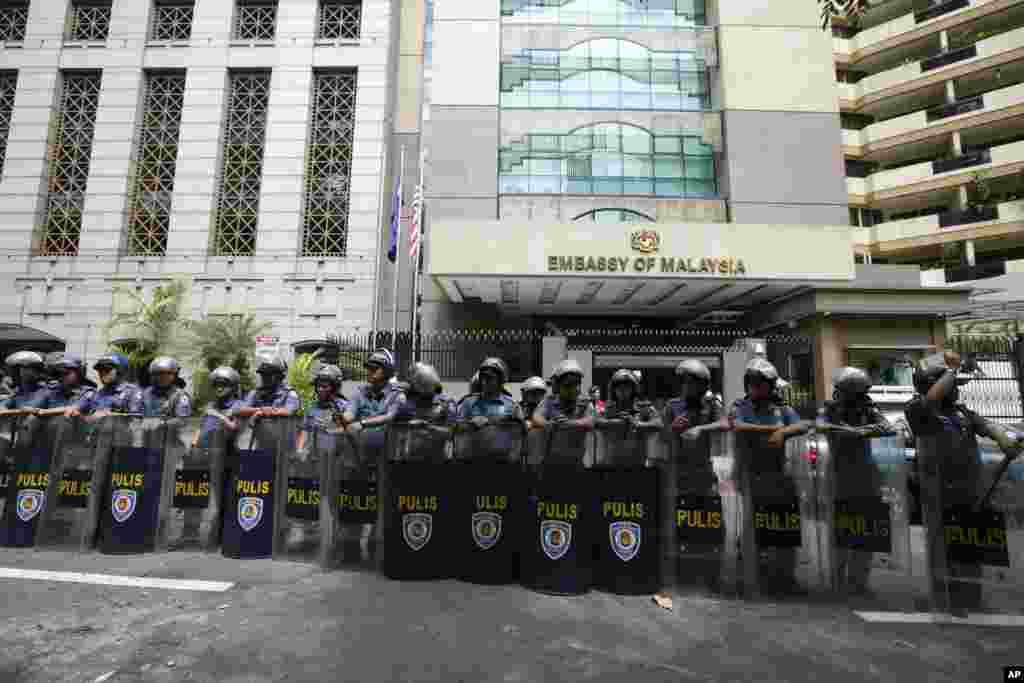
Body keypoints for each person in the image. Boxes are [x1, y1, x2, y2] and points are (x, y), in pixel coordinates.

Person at [904, 350, 1023, 614]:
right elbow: (933, 397)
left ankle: (971, 597)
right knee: (943, 547)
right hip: (938, 492)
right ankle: (945, 598)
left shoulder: (961, 412)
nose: (956, 390)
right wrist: (952, 370)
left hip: (971, 490)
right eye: (952, 385)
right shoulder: (918, 409)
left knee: (971, 546)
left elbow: (987, 426)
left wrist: (1004, 440)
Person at [727, 357, 809, 594]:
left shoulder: (782, 409)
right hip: (749, 475)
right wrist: (777, 430)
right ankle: (749, 576)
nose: (755, 388)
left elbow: (802, 425)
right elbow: (738, 426)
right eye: (752, 383)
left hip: (778, 475)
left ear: (771, 386)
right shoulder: (740, 406)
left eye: (760, 384)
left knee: (781, 526)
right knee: (752, 527)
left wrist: (784, 431)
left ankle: (784, 577)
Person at [817, 366, 892, 597]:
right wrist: (852, 431)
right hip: (838, 476)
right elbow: (822, 425)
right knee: (840, 530)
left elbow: (886, 427)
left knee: (865, 531)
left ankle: (859, 581)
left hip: (866, 476)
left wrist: (860, 431)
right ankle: (837, 580)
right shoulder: (830, 409)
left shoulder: (869, 409)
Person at [531, 359, 595, 465]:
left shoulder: (585, 403)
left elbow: (590, 421)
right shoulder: (549, 401)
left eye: (576, 384)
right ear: (557, 386)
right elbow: (536, 417)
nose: (574, 389)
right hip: (550, 462)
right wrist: (548, 424)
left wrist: (568, 423)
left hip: (576, 462)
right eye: (568, 385)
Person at [65, 353, 143, 420]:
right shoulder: (93, 395)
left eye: (107, 369)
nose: (102, 372)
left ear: (120, 370)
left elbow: (136, 418)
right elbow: (75, 407)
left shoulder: (132, 392)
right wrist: (74, 412)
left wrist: (108, 415)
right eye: (100, 370)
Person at [296, 364, 348, 453]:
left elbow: (349, 431)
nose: (320, 389)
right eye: (318, 386)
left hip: (336, 457)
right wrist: (300, 449)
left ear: (335, 388)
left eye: (324, 387)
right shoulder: (311, 407)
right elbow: (305, 430)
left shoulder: (344, 407)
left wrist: (332, 426)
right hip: (314, 456)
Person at [457, 358, 522, 427]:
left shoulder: (512, 406)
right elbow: (458, 430)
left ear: (500, 381)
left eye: (490, 378)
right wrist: (470, 423)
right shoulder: (468, 403)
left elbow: (521, 431)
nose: (485, 381)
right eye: (483, 377)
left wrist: (495, 421)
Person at [234, 356, 300, 419]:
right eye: (263, 374)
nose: (264, 378)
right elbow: (240, 410)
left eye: (268, 374)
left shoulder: (289, 393)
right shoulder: (255, 393)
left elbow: (288, 411)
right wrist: (260, 410)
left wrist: (265, 412)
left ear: (279, 376)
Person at [141, 357, 192, 421]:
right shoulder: (146, 393)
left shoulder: (180, 396)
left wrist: (160, 424)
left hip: (170, 430)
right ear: (152, 375)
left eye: (168, 374)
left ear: (174, 376)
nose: (163, 377)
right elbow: (136, 415)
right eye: (158, 374)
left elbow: (182, 420)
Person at [0, 351, 51, 415]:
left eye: (27, 368)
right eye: (22, 368)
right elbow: (3, 405)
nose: (23, 371)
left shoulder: (48, 392)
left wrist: (37, 411)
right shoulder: (18, 394)